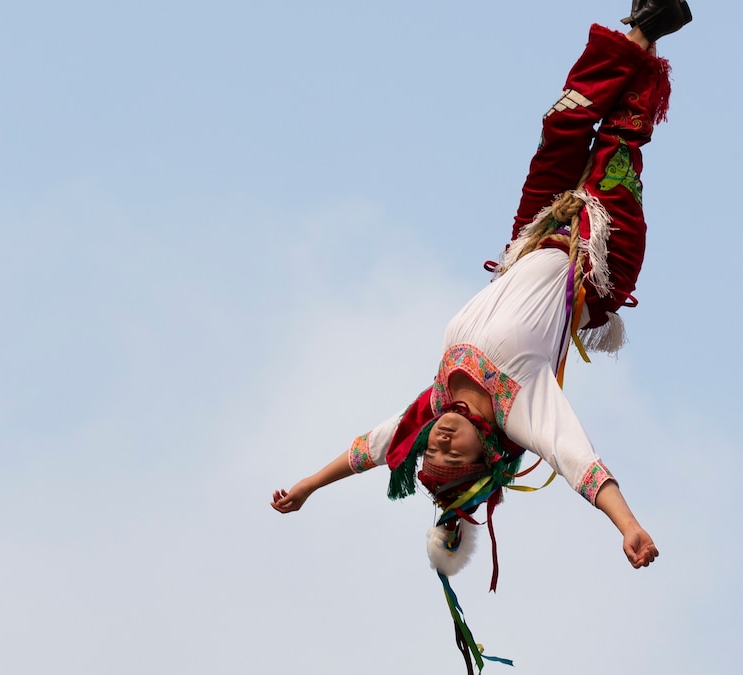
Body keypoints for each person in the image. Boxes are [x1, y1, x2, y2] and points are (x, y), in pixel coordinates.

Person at [272, 5, 691, 668]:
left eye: (432, 448)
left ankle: (635, 25)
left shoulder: (431, 402)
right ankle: (654, 32)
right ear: (485, 454)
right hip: (599, 252)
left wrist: (304, 485)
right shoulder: (522, 409)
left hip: (531, 233)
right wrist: (628, 525)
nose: (438, 438)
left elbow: (368, 450)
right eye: (452, 452)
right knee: (618, 138)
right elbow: (579, 463)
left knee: (562, 124)